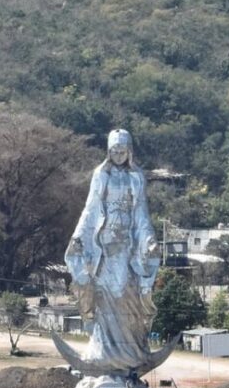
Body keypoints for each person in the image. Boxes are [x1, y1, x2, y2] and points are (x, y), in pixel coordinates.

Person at [65, 129, 161, 372]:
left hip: (127, 247)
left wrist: (148, 240)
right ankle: (102, 352)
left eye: (123, 151)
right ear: (108, 152)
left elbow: (141, 213)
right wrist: (78, 237)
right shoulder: (101, 174)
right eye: (114, 151)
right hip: (103, 247)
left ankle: (129, 352)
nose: (118, 155)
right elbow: (91, 208)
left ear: (129, 152)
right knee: (103, 298)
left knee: (128, 297)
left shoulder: (136, 177)